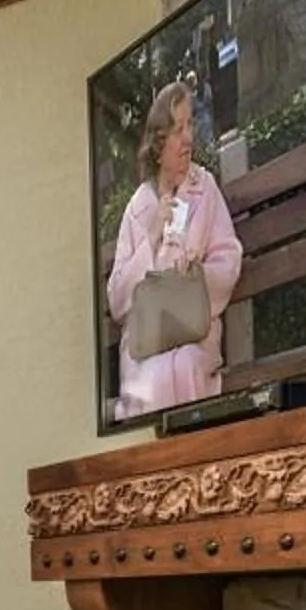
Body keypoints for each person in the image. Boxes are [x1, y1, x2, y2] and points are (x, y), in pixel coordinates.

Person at [104, 78, 243, 420]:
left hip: (194, 332)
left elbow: (228, 260)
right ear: (158, 141)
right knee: (152, 379)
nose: (189, 139)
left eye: (190, 125)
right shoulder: (138, 208)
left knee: (188, 364)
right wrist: (150, 239)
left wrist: (198, 274)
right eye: (179, 129)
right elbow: (118, 299)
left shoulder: (204, 188)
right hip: (145, 344)